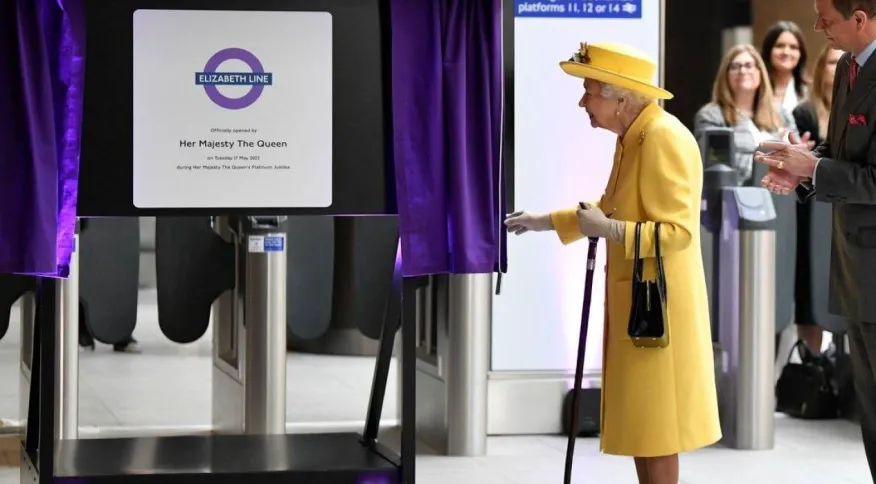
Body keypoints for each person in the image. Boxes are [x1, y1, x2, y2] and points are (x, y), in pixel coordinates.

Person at [505, 42, 720, 484]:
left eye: (589, 92)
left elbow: (678, 233)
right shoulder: (633, 137)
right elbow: (608, 209)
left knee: (658, 429)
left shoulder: (663, 137)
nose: (582, 102)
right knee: (645, 426)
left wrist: (612, 231)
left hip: (658, 310)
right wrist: (542, 221)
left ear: (620, 96)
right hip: (638, 305)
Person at [757, 0, 876, 478]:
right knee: (870, 408)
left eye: (826, 16)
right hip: (853, 270)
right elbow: (842, 153)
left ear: (861, 19)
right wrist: (801, 168)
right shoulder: (848, 67)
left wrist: (818, 169)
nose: (817, 26)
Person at [791, 45, 844, 358]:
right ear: (821, 67)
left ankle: (842, 368)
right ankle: (812, 365)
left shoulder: (858, 107)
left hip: (844, 209)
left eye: (841, 63)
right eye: (831, 63)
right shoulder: (805, 113)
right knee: (809, 288)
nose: (836, 69)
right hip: (811, 211)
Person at [694, 44, 799, 186]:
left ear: (760, 72)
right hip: (735, 198)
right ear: (725, 75)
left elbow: (797, 158)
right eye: (735, 66)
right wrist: (775, 161)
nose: (742, 71)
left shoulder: (782, 115)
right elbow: (720, 166)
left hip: (781, 198)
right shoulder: (711, 116)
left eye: (749, 65)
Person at [761, 21, 810, 111]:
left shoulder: (810, 93)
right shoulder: (756, 89)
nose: (786, 52)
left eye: (793, 47)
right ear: (768, 51)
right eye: (779, 46)